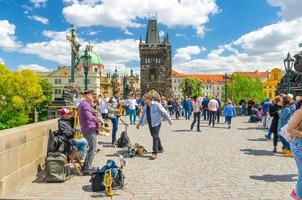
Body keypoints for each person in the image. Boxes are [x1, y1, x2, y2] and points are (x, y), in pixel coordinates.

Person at [137, 94, 172, 160]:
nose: (144, 100)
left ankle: (154, 152)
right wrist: (139, 124)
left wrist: (169, 119)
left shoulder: (156, 104)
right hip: (150, 123)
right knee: (154, 135)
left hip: (157, 122)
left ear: (149, 99)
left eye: (145, 99)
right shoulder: (145, 106)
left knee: (155, 136)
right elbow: (142, 115)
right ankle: (160, 148)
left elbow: (164, 111)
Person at [78, 89, 102, 175]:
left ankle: (86, 167)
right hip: (89, 129)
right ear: (87, 95)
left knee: (91, 149)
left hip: (89, 128)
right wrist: (98, 119)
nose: (93, 97)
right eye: (92, 95)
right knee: (93, 149)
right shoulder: (85, 104)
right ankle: (87, 169)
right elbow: (89, 116)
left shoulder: (86, 104)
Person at [287, 99, 302, 200]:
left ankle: (297, 192)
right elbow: (290, 129)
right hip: (299, 145)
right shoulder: (300, 112)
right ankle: (299, 195)